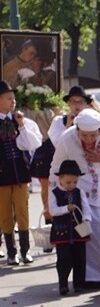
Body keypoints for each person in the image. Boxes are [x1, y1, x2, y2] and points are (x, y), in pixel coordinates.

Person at [49, 108, 100, 286]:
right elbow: (56, 166)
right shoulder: (67, 138)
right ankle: (89, 277)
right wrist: (52, 195)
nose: (89, 139)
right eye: (84, 135)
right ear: (77, 131)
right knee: (87, 237)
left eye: (93, 135)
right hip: (81, 192)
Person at [34, 86, 97, 225]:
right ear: (68, 103)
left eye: (80, 102)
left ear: (85, 104)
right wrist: (68, 126)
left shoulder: (92, 122)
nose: (77, 105)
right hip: (65, 169)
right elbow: (58, 143)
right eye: (73, 102)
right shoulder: (59, 121)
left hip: (84, 168)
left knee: (82, 202)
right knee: (61, 200)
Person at [0, 80, 43, 265]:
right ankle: (11, 253)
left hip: (20, 173)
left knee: (22, 212)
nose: (13, 101)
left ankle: (25, 251)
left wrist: (22, 125)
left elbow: (32, 144)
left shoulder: (21, 121)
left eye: (14, 98)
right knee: (5, 215)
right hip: (2, 175)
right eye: (9, 98)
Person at [49, 159, 91, 295]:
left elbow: (86, 207)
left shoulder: (79, 192)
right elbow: (53, 211)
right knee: (63, 259)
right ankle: (63, 284)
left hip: (79, 231)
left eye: (75, 182)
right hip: (61, 232)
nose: (72, 185)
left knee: (80, 258)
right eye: (68, 182)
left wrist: (86, 219)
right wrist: (66, 208)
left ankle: (79, 284)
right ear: (60, 179)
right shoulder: (54, 192)